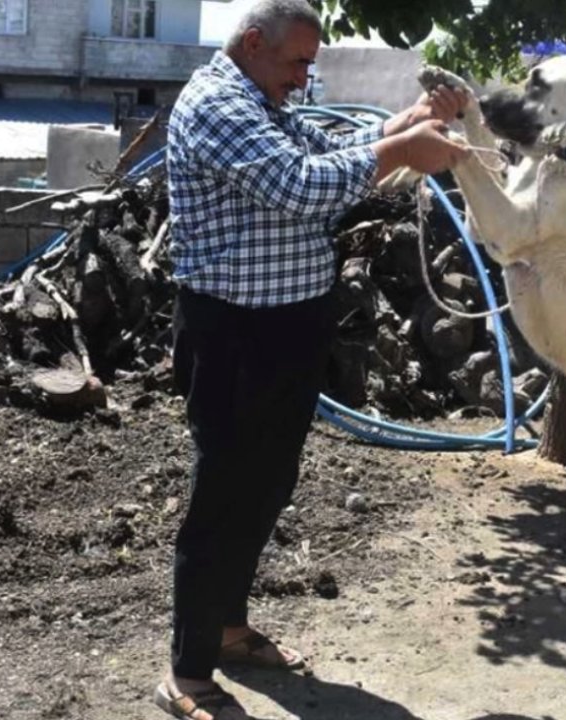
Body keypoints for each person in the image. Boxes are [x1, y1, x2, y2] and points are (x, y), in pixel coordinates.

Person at [156, 1, 470, 718]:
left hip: (287, 327)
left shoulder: (262, 99)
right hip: (232, 332)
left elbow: (325, 150)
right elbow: (299, 187)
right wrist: (399, 153)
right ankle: (188, 672)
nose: (304, 78)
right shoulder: (216, 103)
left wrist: (406, 120)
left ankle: (229, 630)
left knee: (267, 483)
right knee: (224, 495)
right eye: (298, 61)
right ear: (254, 43)